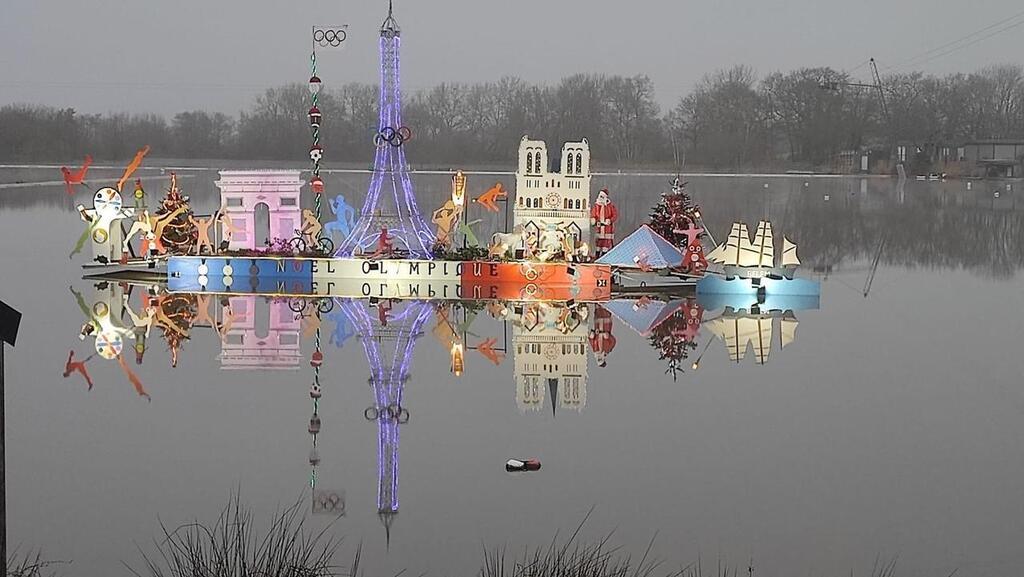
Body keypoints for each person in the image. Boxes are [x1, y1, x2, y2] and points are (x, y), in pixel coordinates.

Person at [590, 188, 618, 258]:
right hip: (599, 227)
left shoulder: (610, 206)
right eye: (600, 196)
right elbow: (594, 214)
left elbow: (615, 215)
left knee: (606, 242)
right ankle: (597, 254)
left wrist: (610, 220)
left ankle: (604, 255)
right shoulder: (596, 206)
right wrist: (594, 219)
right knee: (599, 242)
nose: (601, 198)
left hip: (607, 228)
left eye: (602, 197)